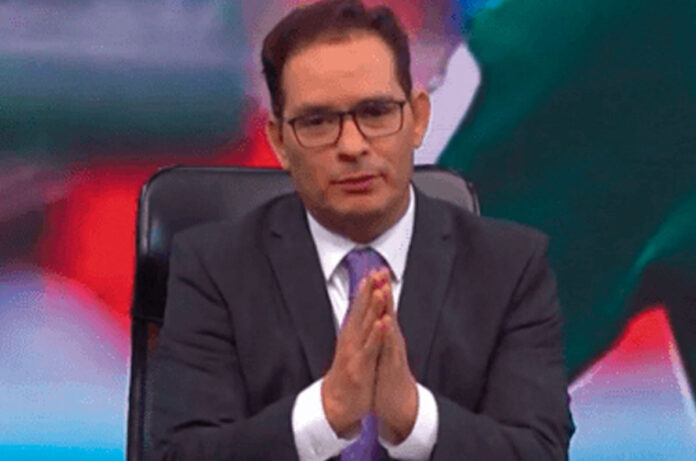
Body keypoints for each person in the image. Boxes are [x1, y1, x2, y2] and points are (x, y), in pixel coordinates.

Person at [147, 1, 574, 459]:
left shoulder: (511, 269)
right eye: (317, 122)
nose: (352, 146)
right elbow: (180, 454)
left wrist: (414, 418)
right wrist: (325, 413)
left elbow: (540, 452)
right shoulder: (213, 269)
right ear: (279, 141)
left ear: (418, 118)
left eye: (375, 112)